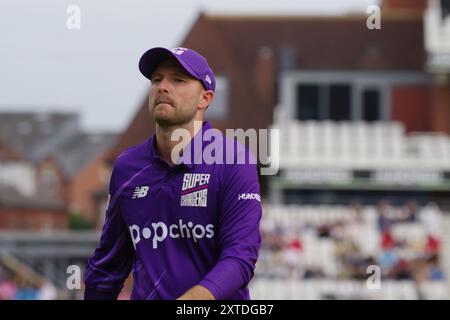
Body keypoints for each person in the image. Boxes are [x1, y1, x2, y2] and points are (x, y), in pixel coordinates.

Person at [84, 47, 262, 300]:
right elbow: (108, 266)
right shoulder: (127, 167)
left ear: (205, 98)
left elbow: (240, 256)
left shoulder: (233, 161)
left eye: (178, 80)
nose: (162, 87)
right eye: (157, 79)